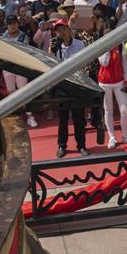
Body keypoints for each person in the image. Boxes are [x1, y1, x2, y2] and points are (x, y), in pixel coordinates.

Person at [51, 19, 90, 158]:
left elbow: (85, 62)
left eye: (63, 29)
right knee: (63, 119)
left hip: (77, 85)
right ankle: (62, 145)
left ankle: (82, 145)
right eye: (58, 30)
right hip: (62, 86)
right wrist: (51, 51)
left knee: (79, 119)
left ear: (68, 29)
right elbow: (51, 65)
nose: (61, 32)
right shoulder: (56, 46)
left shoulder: (79, 44)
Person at [97, 21, 127, 148]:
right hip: (104, 82)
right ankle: (112, 137)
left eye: (111, 33)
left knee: (124, 111)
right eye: (106, 34)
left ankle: (125, 135)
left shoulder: (120, 44)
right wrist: (107, 47)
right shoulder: (100, 46)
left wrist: (126, 79)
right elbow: (104, 63)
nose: (109, 35)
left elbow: (125, 63)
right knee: (108, 110)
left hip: (119, 81)